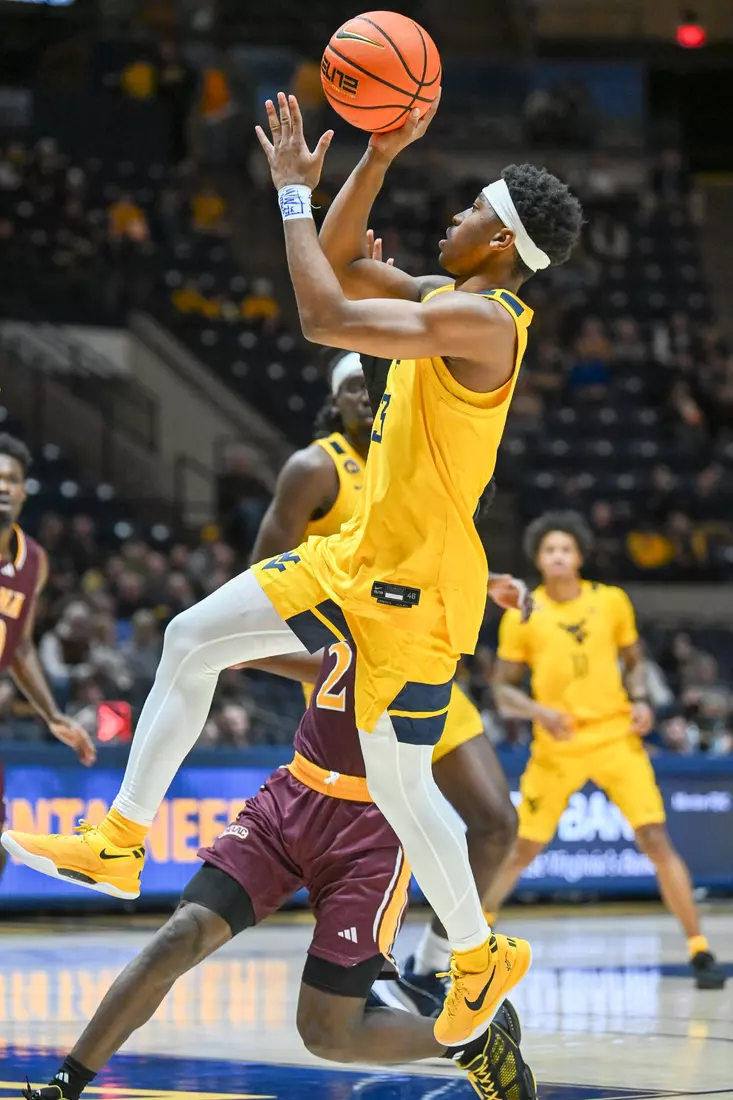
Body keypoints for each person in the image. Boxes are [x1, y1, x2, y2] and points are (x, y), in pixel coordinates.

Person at [3, 91, 583, 1046]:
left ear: (498, 241)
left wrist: (286, 194)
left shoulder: (485, 323)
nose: (453, 217)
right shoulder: (445, 299)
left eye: (471, 208)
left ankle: (478, 954)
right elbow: (344, 260)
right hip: (359, 555)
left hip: (417, 585)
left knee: (402, 787)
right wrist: (374, 159)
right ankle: (119, 839)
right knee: (190, 638)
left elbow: (322, 314)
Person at [21, 641, 537, 1100]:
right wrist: (239, 643)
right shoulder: (355, 581)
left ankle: (469, 1042)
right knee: (181, 935)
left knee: (326, 1032)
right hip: (294, 794)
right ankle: (65, 1086)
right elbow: (332, 658)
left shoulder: (430, 608)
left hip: (373, 825)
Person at [250, 350, 524, 1012]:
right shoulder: (315, 469)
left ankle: (431, 968)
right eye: (353, 385)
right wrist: (326, 661)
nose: (366, 395)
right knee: (382, 837)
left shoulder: (411, 455)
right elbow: (260, 591)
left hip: (423, 663)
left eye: (375, 383)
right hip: (353, 684)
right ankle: (364, 968)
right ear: (334, 400)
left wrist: (482, 582)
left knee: (495, 824)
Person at [486, 511, 726, 990]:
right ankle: (469, 947)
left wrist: (641, 700)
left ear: (579, 555)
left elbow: (634, 661)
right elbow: (502, 690)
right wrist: (540, 712)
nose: (558, 556)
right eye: (549, 549)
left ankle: (699, 949)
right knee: (521, 848)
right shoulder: (523, 613)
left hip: (616, 737)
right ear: (538, 558)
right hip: (558, 744)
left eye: (565, 548)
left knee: (655, 839)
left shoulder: (611, 601)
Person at [0, 434, 96, 879]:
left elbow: (20, 645)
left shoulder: (34, 561)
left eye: (11, 478)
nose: (3, 486)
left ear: (23, 490)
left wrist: (52, 713)